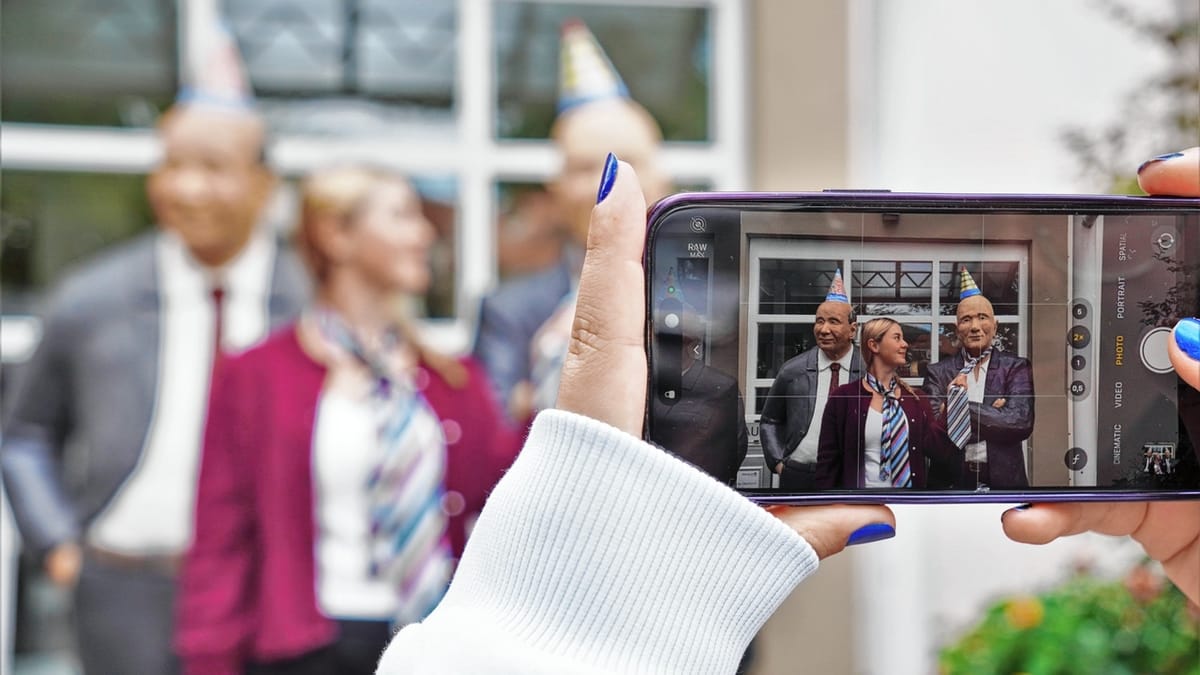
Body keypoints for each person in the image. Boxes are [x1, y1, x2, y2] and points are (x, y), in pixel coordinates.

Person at [375, 150, 1200, 672]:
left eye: (853, 326)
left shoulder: (956, 381)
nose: (840, 331)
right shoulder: (829, 380)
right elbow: (779, 421)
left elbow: (981, 436)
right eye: (834, 323)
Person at [0, 19, 308, 674]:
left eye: (213, 168)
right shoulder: (92, 297)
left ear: (263, 185)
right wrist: (58, 543)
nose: (185, 187)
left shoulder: (308, 304)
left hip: (266, 591)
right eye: (171, 164)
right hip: (124, 588)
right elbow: (24, 434)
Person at [175, 166, 522, 675]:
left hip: (433, 646)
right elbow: (221, 540)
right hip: (311, 651)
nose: (424, 233)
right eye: (401, 216)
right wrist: (209, 661)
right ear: (336, 235)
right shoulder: (255, 375)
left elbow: (509, 497)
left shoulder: (452, 378)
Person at [473, 19, 672, 424]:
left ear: (663, 177)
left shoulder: (717, 299)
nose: (610, 183)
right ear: (555, 187)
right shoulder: (509, 312)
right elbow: (492, 436)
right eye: (585, 167)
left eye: (628, 161)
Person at [814, 318, 961, 489]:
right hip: (860, 505)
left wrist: (950, 409)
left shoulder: (917, 399)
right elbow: (827, 462)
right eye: (897, 338)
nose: (905, 344)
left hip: (908, 506)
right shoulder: (843, 398)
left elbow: (936, 450)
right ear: (874, 345)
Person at [923, 267, 1034, 489]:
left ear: (995, 326)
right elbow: (933, 439)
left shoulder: (1016, 367)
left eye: (982, 318)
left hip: (1004, 485)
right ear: (957, 329)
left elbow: (1020, 423)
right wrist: (994, 412)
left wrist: (958, 408)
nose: (975, 327)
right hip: (951, 485)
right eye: (966, 319)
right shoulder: (937, 372)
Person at [759, 270, 864, 490]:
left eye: (834, 322)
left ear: (852, 330)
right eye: (819, 321)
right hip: (800, 475)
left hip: (853, 475)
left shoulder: (868, 369)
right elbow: (770, 420)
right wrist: (779, 462)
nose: (824, 329)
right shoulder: (792, 371)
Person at [649, 310, 748, 484]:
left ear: (692, 342)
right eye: (660, 338)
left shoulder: (720, 386)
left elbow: (735, 447)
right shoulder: (645, 381)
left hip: (698, 488)